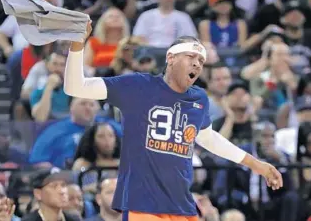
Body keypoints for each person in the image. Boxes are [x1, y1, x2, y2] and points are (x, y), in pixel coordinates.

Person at [64, 21, 283, 220]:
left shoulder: (199, 98)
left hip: (182, 206)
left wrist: (257, 165)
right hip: (143, 206)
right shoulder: (137, 86)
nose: (197, 64)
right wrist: (77, 47)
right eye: (191, 57)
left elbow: (209, 139)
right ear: (170, 58)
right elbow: (75, 87)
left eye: (201, 61)